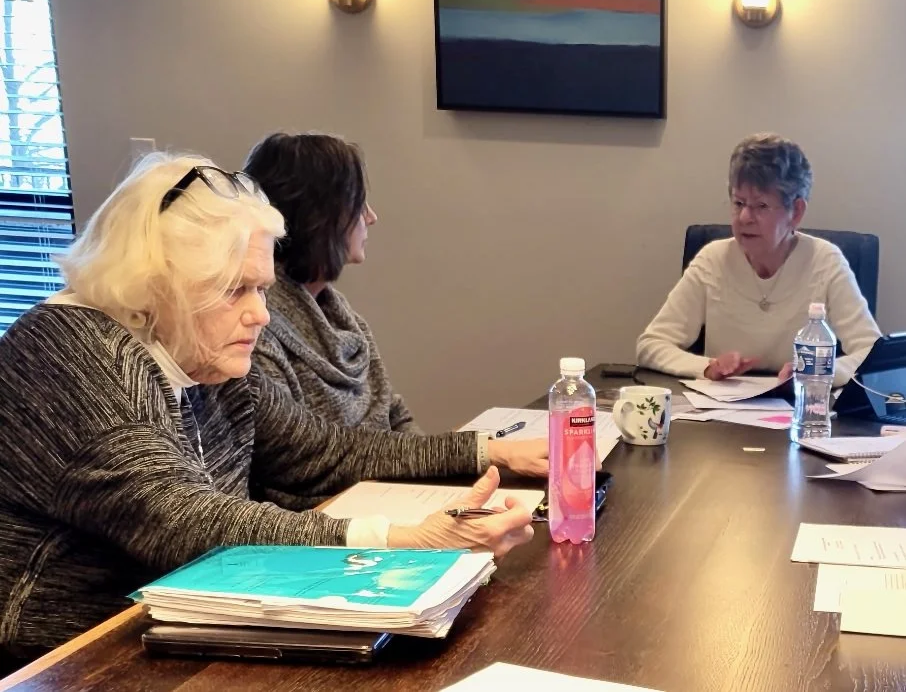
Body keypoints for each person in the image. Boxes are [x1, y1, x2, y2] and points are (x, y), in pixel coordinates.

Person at [0, 154, 545, 659]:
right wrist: (406, 542)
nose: (260, 315)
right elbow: (182, 523)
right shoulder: (72, 350)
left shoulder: (202, 352)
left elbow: (321, 453)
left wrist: (484, 450)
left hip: (187, 620)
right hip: (71, 653)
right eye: (235, 290)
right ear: (155, 285)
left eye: (261, 289)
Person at [636, 133, 880, 386]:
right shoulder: (713, 260)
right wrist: (708, 367)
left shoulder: (825, 262)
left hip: (802, 413)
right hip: (722, 415)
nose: (744, 218)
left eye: (761, 206)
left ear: (795, 212)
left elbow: (872, 355)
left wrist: (817, 372)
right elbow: (651, 345)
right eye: (738, 202)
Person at [244, 132, 421, 432]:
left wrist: (448, 469)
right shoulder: (258, 330)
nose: (372, 217)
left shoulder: (340, 315)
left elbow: (395, 414)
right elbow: (306, 458)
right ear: (319, 216)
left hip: (389, 477)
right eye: (359, 204)